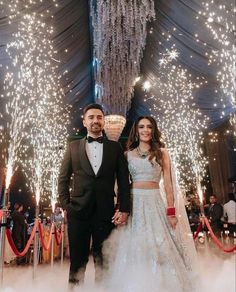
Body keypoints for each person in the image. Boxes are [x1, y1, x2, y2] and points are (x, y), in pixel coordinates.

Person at [103, 116, 199, 292]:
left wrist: (171, 211)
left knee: (161, 243)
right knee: (134, 244)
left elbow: (169, 184)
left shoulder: (162, 153)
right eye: (141, 127)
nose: (145, 130)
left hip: (155, 201)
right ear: (136, 130)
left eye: (149, 127)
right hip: (134, 203)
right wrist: (120, 209)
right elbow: (122, 185)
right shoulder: (126, 155)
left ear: (153, 130)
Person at [58, 103, 130, 286]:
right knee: (77, 262)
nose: (95, 120)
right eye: (91, 117)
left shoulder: (115, 148)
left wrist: (124, 209)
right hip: (78, 213)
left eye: (99, 117)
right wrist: (67, 206)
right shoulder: (73, 147)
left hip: (106, 214)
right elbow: (63, 179)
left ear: (104, 121)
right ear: (84, 121)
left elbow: (123, 181)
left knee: (104, 262)